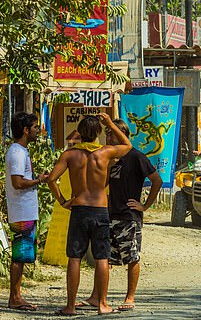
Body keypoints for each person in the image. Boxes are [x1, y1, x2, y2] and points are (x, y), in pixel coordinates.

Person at [46, 113, 132, 316]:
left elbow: (51, 179)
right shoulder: (105, 153)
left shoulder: (70, 155)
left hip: (79, 208)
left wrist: (63, 201)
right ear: (99, 133)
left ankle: (70, 306)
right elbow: (127, 145)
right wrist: (111, 122)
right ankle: (102, 304)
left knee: (75, 257)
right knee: (102, 257)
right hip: (100, 209)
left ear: (80, 133)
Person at [82, 119, 163, 312]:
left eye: (111, 133)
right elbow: (102, 185)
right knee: (104, 258)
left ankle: (130, 296)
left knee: (132, 256)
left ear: (122, 135)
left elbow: (156, 180)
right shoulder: (110, 158)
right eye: (107, 134)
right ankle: (97, 296)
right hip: (109, 214)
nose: (108, 137)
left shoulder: (136, 156)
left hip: (129, 217)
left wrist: (144, 205)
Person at [5, 112, 49, 312]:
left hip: (25, 210)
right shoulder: (17, 153)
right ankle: (14, 297)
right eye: (34, 128)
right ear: (25, 130)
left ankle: (17, 295)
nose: (37, 131)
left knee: (22, 257)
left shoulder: (22, 151)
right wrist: (39, 180)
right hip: (21, 211)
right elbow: (18, 182)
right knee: (19, 256)